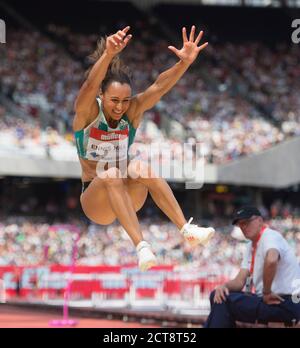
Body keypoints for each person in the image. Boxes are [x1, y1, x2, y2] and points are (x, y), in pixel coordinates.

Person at [73, 25, 215, 271]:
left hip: (128, 195)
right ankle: (142, 247)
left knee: (140, 166)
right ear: (102, 97)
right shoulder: (88, 114)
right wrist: (108, 54)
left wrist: (184, 64)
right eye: (114, 100)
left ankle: (186, 228)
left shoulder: (132, 112)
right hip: (96, 200)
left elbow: (158, 87)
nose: (120, 107)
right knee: (112, 174)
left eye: (125, 100)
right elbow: (87, 87)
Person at [204, 206, 300, 328]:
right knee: (217, 295)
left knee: (223, 301)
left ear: (260, 221)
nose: (243, 227)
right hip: (272, 301)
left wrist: (266, 292)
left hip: (286, 302)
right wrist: (223, 286)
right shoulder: (251, 245)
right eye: (240, 224)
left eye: (246, 222)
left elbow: (271, 260)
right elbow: (240, 281)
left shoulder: (270, 236)